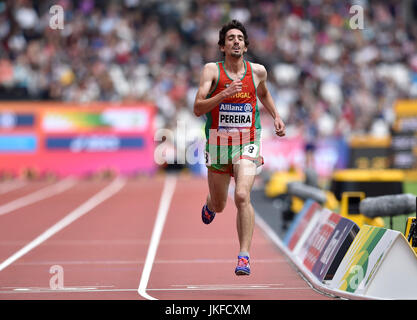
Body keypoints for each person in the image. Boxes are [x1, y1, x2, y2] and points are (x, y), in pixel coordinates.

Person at [193, 20, 285, 276]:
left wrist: (276, 115)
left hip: (248, 141)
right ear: (222, 46)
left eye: (240, 38)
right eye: (230, 38)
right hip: (219, 142)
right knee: (221, 204)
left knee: (242, 196)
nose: (236, 41)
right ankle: (210, 205)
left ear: (245, 46)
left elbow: (264, 94)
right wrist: (224, 94)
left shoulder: (258, 72)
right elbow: (198, 108)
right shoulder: (212, 71)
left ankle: (243, 256)